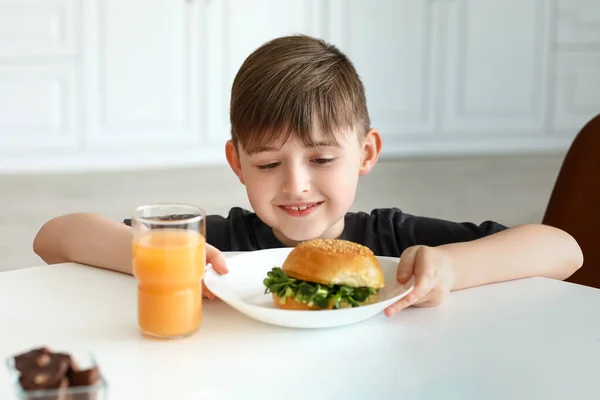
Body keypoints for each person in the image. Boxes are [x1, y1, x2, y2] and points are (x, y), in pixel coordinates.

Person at [33, 35, 583, 317]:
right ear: (237, 163)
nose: (295, 184)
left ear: (366, 153)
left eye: (322, 159)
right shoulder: (223, 248)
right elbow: (54, 236)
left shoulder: (391, 242)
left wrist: (451, 267)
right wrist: (164, 252)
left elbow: (563, 250)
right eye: (269, 164)